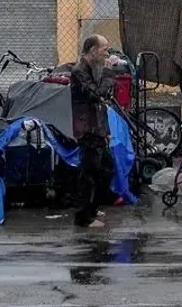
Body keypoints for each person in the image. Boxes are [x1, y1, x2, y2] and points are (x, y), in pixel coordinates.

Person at [70, 34, 118, 228]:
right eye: (104, 49)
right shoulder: (79, 71)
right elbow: (96, 95)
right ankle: (84, 217)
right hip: (87, 129)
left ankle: (93, 207)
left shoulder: (93, 69)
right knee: (90, 173)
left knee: (105, 168)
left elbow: (100, 105)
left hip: (96, 129)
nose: (107, 53)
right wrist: (108, 73)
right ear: (93, 51)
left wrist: (105, 131)